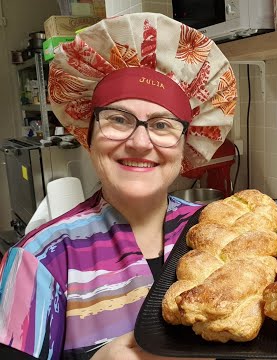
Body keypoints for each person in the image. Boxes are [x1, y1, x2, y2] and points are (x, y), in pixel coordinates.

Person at [0, 12, 236, 360]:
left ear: (187, 143)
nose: (140, 142)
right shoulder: (39, 260)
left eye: (162, 125)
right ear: (88, 134)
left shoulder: (216, 230)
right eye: (118, 119)